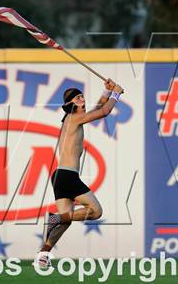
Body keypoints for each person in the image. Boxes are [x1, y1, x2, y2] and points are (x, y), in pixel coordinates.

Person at [33, 78, 124, 268]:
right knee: (95, 211)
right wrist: (116, 94)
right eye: (76, 98)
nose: (81, 98)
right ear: (70, 105)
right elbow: (105, 111)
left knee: (66, 221)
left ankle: (42, 255)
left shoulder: (75, 118)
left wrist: (106, 92)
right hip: (67, 176)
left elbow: (97, 109)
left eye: (81, 96)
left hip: (60, 176)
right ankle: (54, 218)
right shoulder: (74, 118)